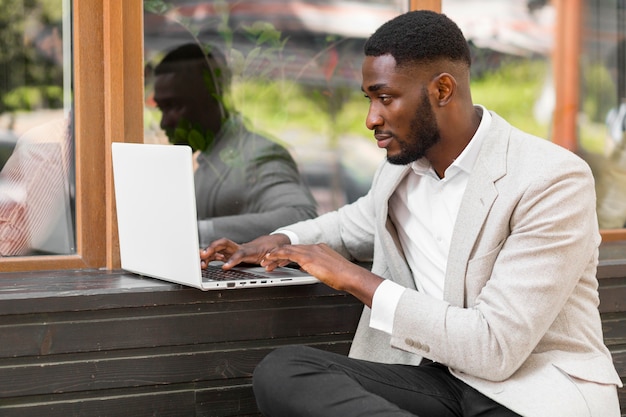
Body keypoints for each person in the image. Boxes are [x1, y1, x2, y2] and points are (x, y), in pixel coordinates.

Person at [199, 10, 622, 417]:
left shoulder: (551, 179)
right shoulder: (402, 172)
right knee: (285, 372)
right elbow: (352, 223)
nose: (370, 118)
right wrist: (281, 241)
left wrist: (356, 279)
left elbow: (494, 349)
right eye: (368, 99)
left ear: (442, 90)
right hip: (442, 382)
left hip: (530, 393)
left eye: (385, 98)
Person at [152, 43, 317, 245]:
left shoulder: (260, 154)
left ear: (213, 98)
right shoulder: (212, 157)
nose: (164, 122)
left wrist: (198, 231)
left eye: (174, 106)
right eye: (162, 108)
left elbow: (301, 217)